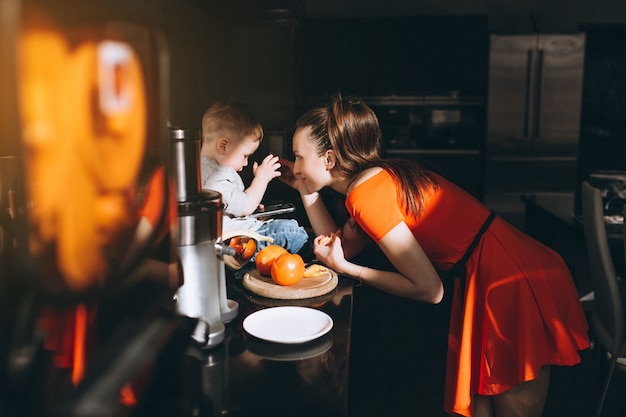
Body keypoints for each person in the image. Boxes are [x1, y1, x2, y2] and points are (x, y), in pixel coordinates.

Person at [279, 94, 590, 417]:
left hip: (511, 277)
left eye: (299, 157)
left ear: (329, 159)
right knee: (483, 407)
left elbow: (430, 289)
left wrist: (349, 269)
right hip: (490, 270)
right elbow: (342, 244)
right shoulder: (371, 180)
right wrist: (306, 191)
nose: (296, 166)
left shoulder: (365, 195)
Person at [200, 101, 310, 266]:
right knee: (292, 232)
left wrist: (250, 214)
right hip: (235, 245)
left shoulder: (199, 169)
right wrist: (262, 178)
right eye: (245, 155)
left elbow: (230, 209)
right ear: (223, 145)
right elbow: (246, 206)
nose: (245, 163)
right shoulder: (219, 175)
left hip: (226, 241)